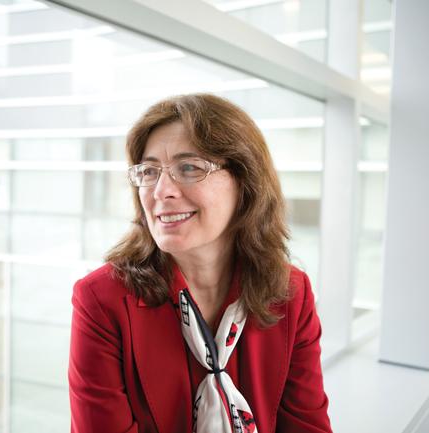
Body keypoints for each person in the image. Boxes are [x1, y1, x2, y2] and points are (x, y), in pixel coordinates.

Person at [68, 94, 332, 433]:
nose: (161, 190)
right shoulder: (101, 300)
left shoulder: (291, 292)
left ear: (245, 181)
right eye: (149, 171)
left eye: (189, 167)